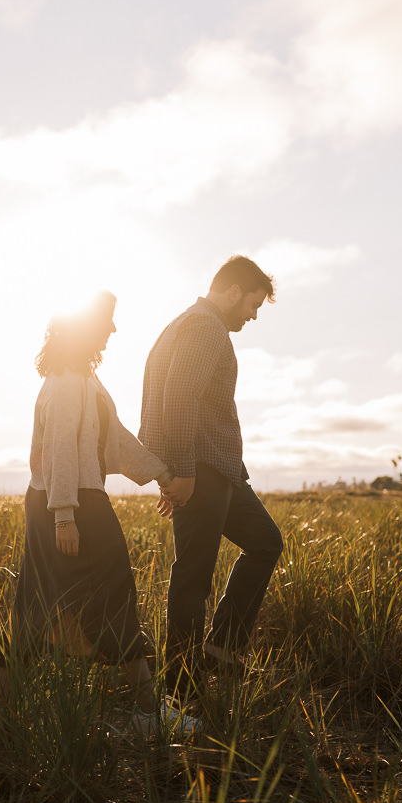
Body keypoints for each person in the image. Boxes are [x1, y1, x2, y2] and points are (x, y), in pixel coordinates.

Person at [0, 291, 200, 737]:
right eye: (106, 322)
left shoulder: (84, 379)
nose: (112, 330)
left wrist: (161, 473)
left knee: (39, 605)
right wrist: (64, 515)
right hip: (71, 503)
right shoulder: (64, 381)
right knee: (103, 595)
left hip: (73, 500)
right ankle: (147, 716)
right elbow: (58, 449)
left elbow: (113, 439)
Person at [139, 256, 283, 702]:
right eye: (254, 304)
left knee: (265, 541)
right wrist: (180, 472)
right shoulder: (204, 327)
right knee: (193, 580)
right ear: (235, 290)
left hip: (218, 472)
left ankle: (222, 648)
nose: (253, 315)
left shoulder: (192, 323)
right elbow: (178, 397)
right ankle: (181, 694)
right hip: (200, 471)